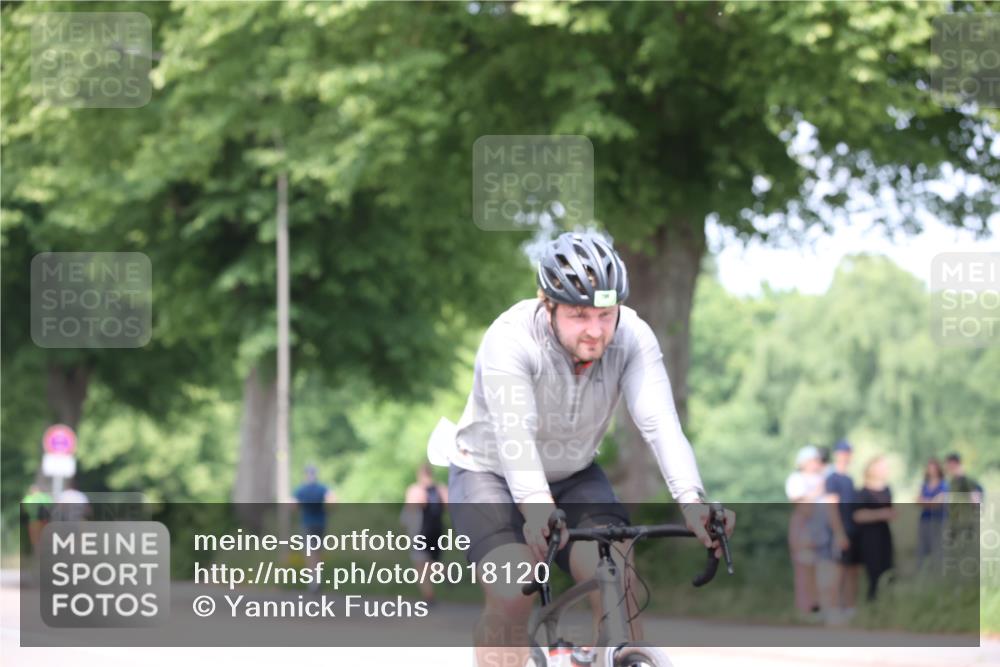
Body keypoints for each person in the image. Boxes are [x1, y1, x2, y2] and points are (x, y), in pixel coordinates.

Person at [441, 232, 735, 666]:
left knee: (617, 573)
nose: (595, 331)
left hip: (574, 472)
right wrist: (537, 511)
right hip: (490, 472)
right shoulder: (509, 339)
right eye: (579, 315)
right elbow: (514, 437)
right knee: (513, 588)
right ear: (547, 303)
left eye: (605, 314)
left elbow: (660, 425)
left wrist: (693, 502)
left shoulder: (633, 336)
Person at [785, 445, 836, 622]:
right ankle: (804, 610)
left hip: (823, 527)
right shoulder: (796, 479)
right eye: (814, 460)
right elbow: (802, 506)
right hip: (804, 528)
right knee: (804, 569)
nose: (817, 463)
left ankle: (821, 609)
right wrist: (818, 490)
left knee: (823, 570)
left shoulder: (825, 476)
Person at [401, 463, 449, 605]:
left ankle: (429, 596)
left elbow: (411, 508)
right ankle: (443, 572)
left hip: (421, 530)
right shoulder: (441, 489)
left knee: (420, 565)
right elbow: (448, 505)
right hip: (438, 529)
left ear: (419, 474)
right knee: (432, 561)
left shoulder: (416, 490)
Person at [825, 439, 860, 620]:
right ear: (837, 454)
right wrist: (838, 533)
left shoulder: (849, 479)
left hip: (853, 530)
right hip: (840, 530)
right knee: (837, 570)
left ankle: (849, 608)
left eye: (848, 452)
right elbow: (831, 507)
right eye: (843, 452)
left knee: (852, 570)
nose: (846, 456)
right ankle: (833, 609)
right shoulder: (832, 478)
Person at [853, 456, 895, 601]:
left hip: (884, 533)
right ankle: (872, 603)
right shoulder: (862, 492)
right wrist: (880, 514)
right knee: (873, 572)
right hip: (869, 535)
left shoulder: (887, 489)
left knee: (888, 568)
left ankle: (887, 603)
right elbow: (857, 515)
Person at [293, 465, 336, 592]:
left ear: (306, 475)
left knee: (309, 552)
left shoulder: (301, 489)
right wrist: (328, 511)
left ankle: (313, 580)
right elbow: (333, 500)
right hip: (321, 523)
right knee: (317, 552)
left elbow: (293, 505)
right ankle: (317, 577)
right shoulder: (322, 488)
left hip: (307, 524)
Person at [916, 457, 948, 573]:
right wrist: (929, 502)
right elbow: (917, 500)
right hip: (924, 519)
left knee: (938, 548)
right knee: (922, 548)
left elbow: (937, 503)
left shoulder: (944, 485)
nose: (931, 470)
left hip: (939, 520)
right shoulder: (924, 484)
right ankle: (921, 575)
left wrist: (925, 502)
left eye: (934, 467)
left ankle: (938, 574)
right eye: (929, 467)